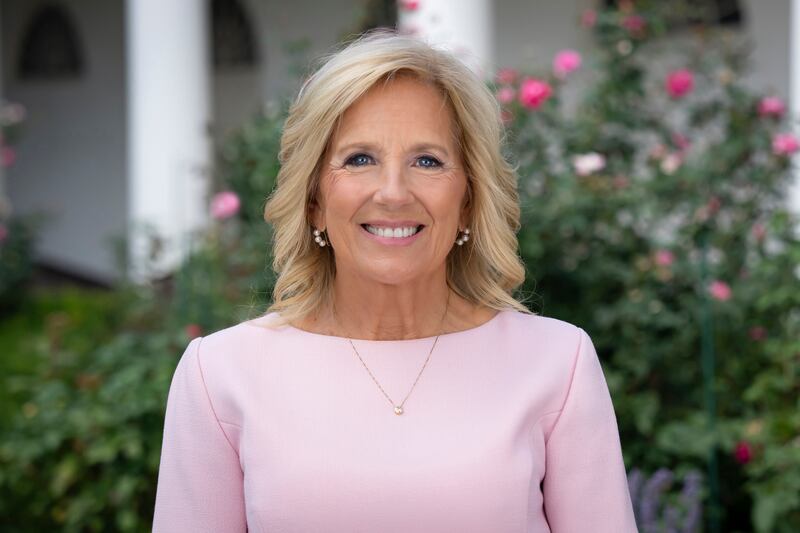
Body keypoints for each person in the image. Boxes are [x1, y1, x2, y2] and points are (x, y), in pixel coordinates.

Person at [152, 29, 638, 533]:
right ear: (314, 200)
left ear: (469, 198)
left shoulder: (559, 363)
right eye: (359, 159)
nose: (393, 192)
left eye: (427, 161)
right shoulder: (219, 374)